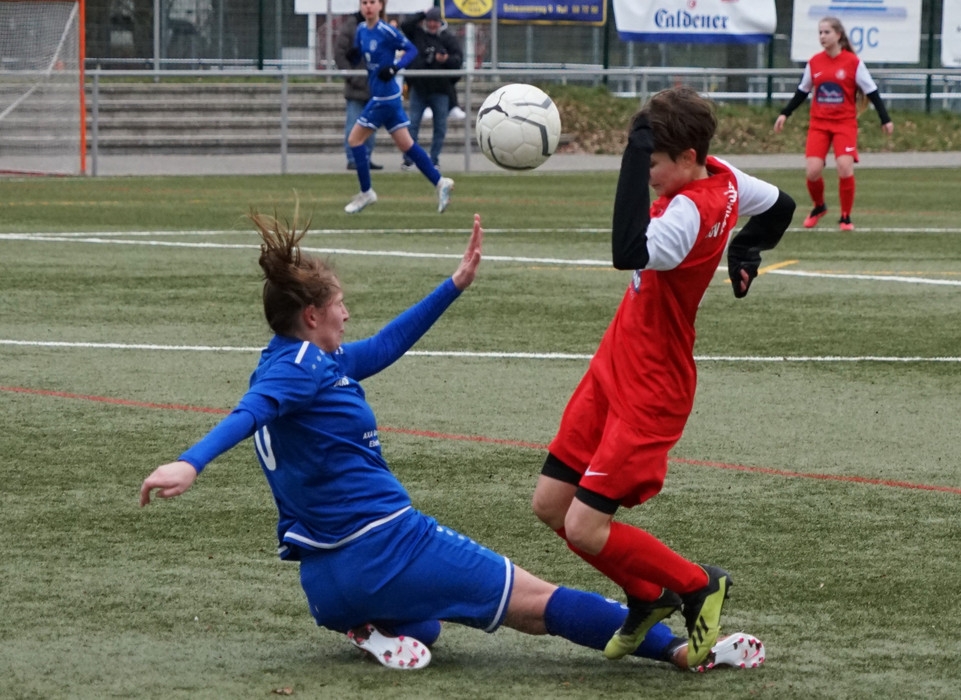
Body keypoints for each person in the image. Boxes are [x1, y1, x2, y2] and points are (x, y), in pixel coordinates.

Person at [139, 208, 767, 673]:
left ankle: (368, 627)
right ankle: (681, 651)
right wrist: (190, 462)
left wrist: (454, 284)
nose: (347, 315)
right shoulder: (300, 371)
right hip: (387, 546)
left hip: (326, 584)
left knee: (431, 627)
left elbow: (381, 348)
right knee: (538, 602)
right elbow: (249, 414)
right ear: (312, 316)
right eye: (340, 306)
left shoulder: (292, 360)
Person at [531, 86, 795, 668]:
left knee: (586, 527)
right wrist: (746, 251)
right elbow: (781, 205)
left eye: (652, 163)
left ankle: (699, 584)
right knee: (551, 504)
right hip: (614, 366)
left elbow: (627, 249)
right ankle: (648, 596)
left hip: (652, 388)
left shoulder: (685, 215)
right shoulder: (723, 175)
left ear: (687, 156)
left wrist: (631, 155)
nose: (646, 173)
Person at [773, 16, 893, 231]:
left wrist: (885, 118)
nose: (822, 36)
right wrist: (785, 114)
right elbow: (802, 91)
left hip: (844, 123)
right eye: (820, 32)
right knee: (812, 171)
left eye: (827, 32)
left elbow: (872, 91)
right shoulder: (814, 62)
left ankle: (846, 217)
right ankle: (819, 206)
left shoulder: (853, 62)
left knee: (844, 167)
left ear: (838, 35)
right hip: (819, 124)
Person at [341, 0, 454, 214]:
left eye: (372, 2)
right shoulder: (361, 30)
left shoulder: (386, 31)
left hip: (384, 97)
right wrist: (353, 56)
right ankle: (441, 182)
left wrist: (395, 68)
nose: (368, 6)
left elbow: (411, 50)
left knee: (354, 140)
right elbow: (359, 55)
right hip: (384, 95)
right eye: (364, 2)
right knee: (407, 145)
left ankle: (366, 192)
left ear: (380, 6)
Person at [399, 7, 463, 171]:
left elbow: (458, 60)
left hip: (441, 90)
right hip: (419, 88)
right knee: (413, 125)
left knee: (440, 127)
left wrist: (445, 59)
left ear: (440, 22)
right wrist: (422, 14)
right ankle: (409, 159)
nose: (432, 24)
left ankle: (434, 160)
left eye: (435, 21)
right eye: (430, 21)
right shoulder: (418, 35)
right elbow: (405, 25)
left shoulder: (448, 38)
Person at [331, 11, 382, 172]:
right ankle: (353, 159)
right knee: (353, 125)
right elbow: (339, 54)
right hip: (355, 87)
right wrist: (353, 77)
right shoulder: (350, 27)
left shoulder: (381, 26)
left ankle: (366, 158)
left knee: (371, 127)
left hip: (374, 87)